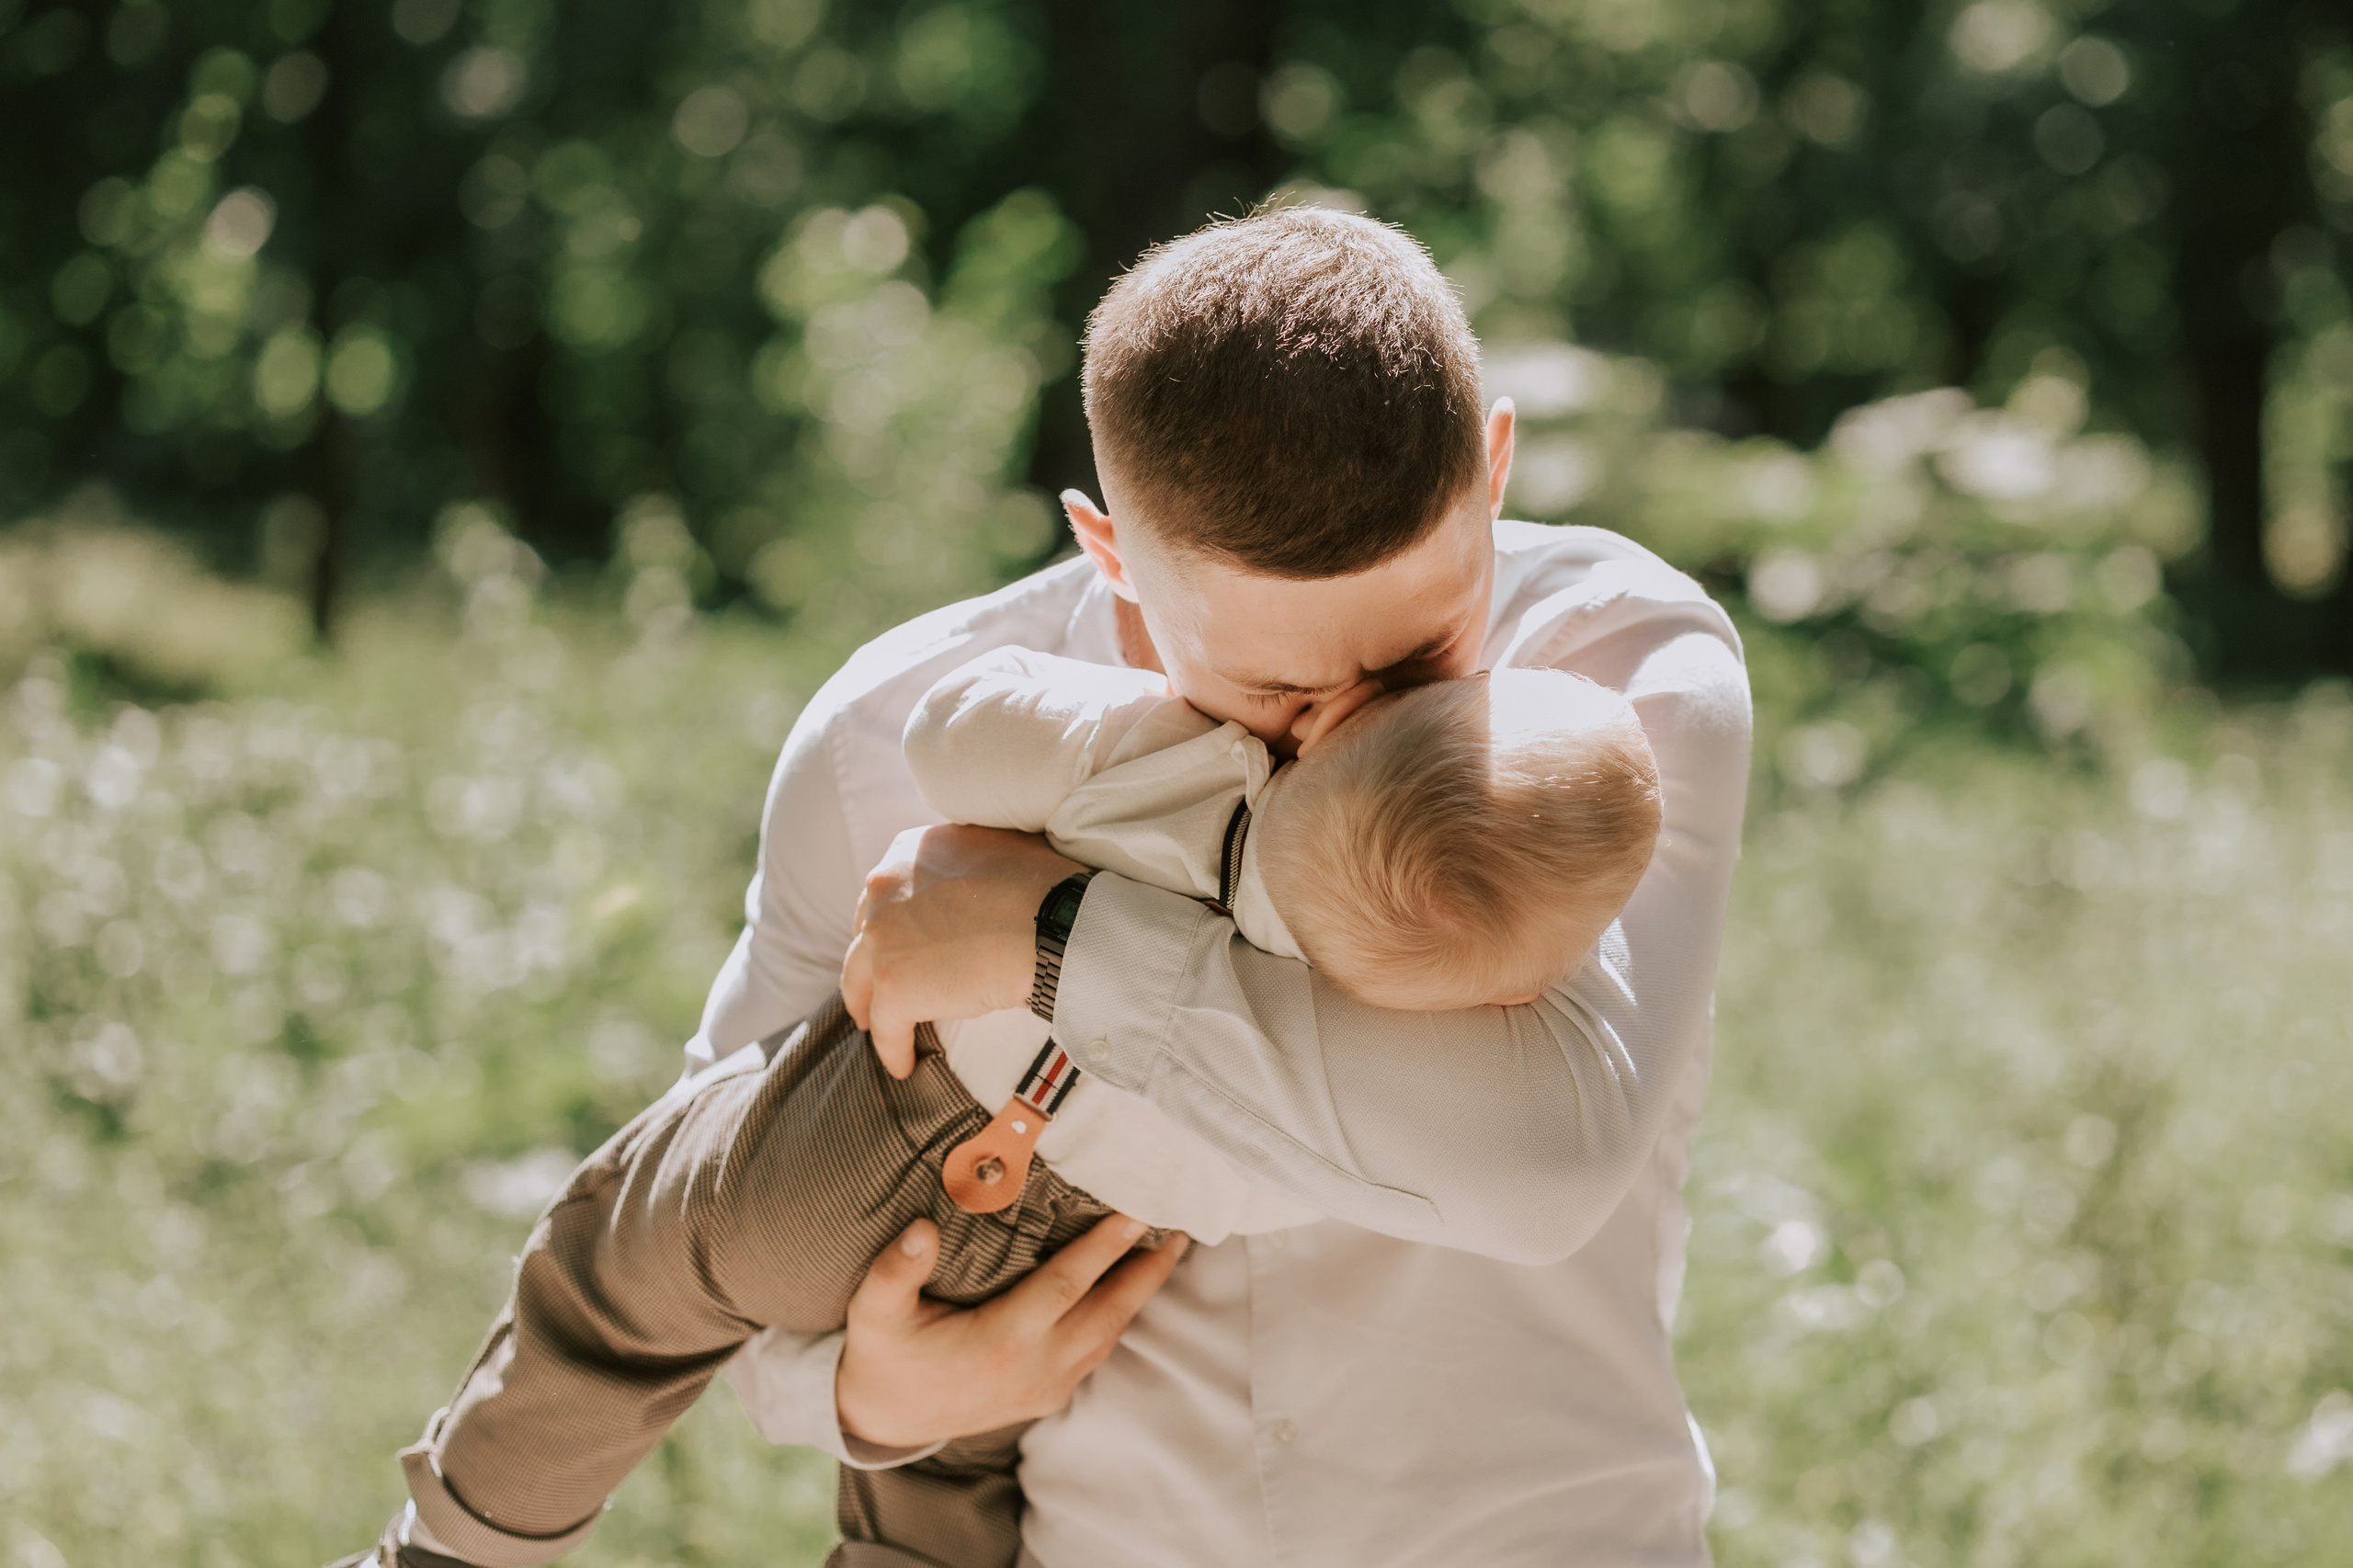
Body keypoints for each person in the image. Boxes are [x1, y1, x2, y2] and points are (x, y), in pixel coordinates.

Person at [718, 205, 1753, 1566]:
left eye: (1418, 660)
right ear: (1109, 552)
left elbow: (1549, 1162)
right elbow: (711, 1198)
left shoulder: (1619, 666)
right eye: (1282, 689)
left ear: (1492, 468)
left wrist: (1056, 941)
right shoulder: (880, 742)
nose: (1344, 738)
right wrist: (860, 1392)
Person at [339, 647, 1665, 1568]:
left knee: (617, 1286)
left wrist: (1132, 731)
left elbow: (953, 730)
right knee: (942, 1513)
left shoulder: (1185, 769)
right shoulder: (1361, 1081)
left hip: (867, 1138)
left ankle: (453, 1550)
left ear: (1327, 730)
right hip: (1051, 1286)